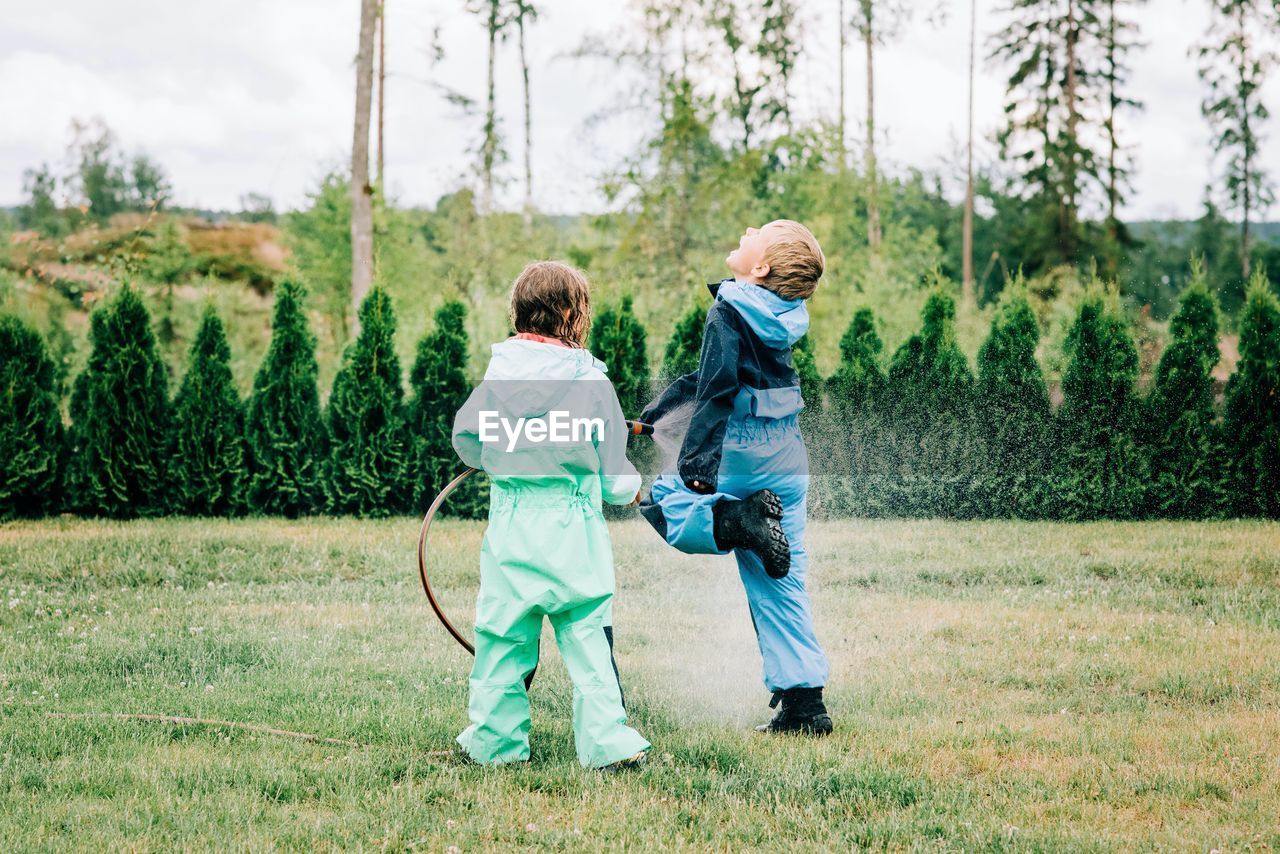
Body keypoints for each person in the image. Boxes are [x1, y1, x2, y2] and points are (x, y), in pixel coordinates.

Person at [451, 261, 651, 770]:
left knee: (501, 640)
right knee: (588, 641)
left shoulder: (499, 375)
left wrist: (501, 455)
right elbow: (612, 475)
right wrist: (630, 488)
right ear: (571, 313)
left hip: (512, 533)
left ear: (519, 311)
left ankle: (495, 744)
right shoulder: (591, 381)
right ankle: (607, 744)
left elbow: (467, 442)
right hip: (574, 533)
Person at [638, 220, 833, 735]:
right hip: (788, 456)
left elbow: (720, 389)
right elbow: (702, 382)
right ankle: (804, 704)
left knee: (662, 498)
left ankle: (734, 520)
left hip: (740, 453)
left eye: (758, 232)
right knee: (781, 577)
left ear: (760, 267)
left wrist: (697, 467)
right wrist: (654, 417)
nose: (747, 229)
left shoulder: (730, 308)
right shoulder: (784, 314)